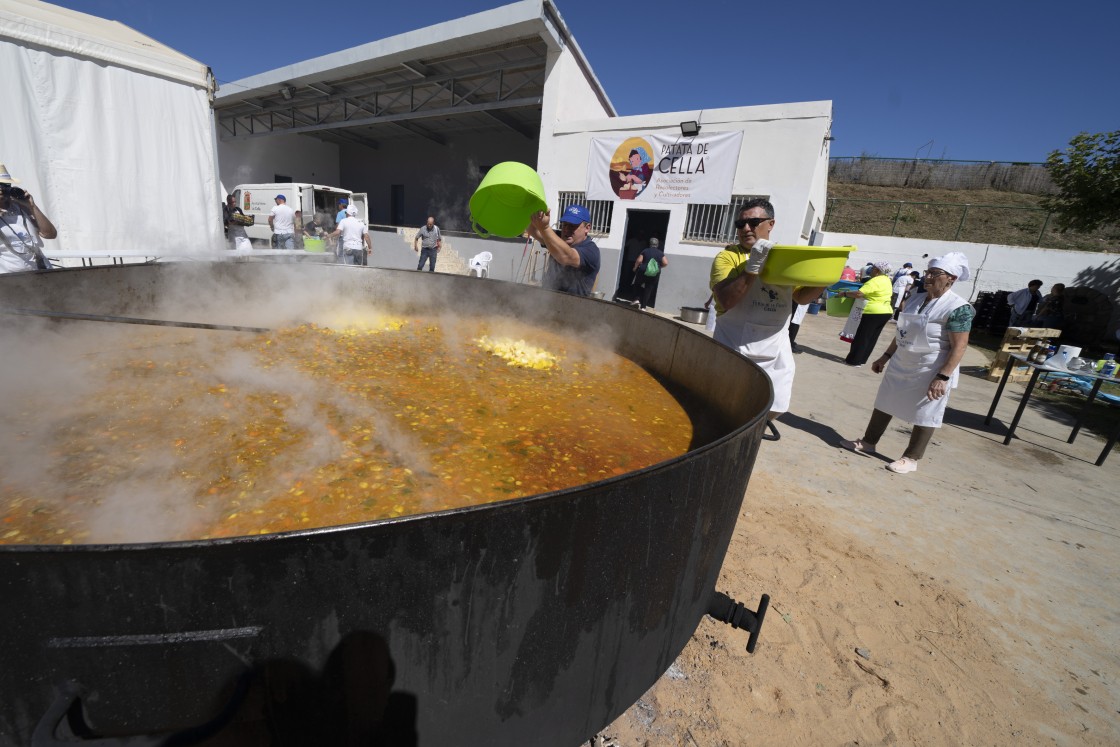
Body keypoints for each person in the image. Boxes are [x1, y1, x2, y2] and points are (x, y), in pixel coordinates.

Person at [838, 252, 975, 474]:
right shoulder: (916, 298)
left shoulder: (958, 308)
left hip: (931, 367)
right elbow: (903, 330)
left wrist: (943, 376)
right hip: (903, 361)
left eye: (935, 273)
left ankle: (911, 458)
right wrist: (886, 356)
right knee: (885, 400)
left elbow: (959, 346)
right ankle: (868, 442)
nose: (928, 277)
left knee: (926, 410)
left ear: (951, 278)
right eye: (928, 272)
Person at [709, 198, 826, 430]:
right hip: (735, 346)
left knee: (776, 405)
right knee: (725, 409)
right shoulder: (728, 257)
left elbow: (800, 297)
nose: (746, 228)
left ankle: (753, 432)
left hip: (775, 348)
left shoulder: (784, 257)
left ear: (770, 224)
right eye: (740, 224)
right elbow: (726, 300)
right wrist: (752, 267)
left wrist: (824, 279)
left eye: (753, 222)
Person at [529, 204, 601, 297]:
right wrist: (532, 212)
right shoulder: (558, 237)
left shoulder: (591, 250)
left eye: (573, 226)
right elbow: (532, 230)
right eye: (565, 225)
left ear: (587, 228)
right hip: (545, 302)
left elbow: (566, 257)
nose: (567, 229)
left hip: (572, 307)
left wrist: (545, 228)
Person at [0, 162, 57, 273]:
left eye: (5, 185)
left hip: (40, 272)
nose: (1, 189)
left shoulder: (22, 207)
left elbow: (50, 234)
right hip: (10, 279)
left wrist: (31, 206)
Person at [838, 261, 893, 366]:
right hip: (886, 311)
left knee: (862, 336)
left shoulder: (875, 281)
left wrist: (844, 293)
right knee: (871, 338)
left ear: (877, 270)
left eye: (873, 268)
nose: (871, 270)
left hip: (873, 311)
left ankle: (853, 361)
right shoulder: (887, 280)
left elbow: (859, 293)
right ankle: (862, 360)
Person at [631, 237, 667, 309]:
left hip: (643, 272)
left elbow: (639, 261)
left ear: (650, 244)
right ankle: (643, 307)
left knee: (637, 284)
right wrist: (658, 267)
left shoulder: (645, 251)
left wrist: (635, 268)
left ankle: (636, 299)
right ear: (657, 245)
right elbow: (665, 263)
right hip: (654, 274)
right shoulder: (660, 253)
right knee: (648, 289)